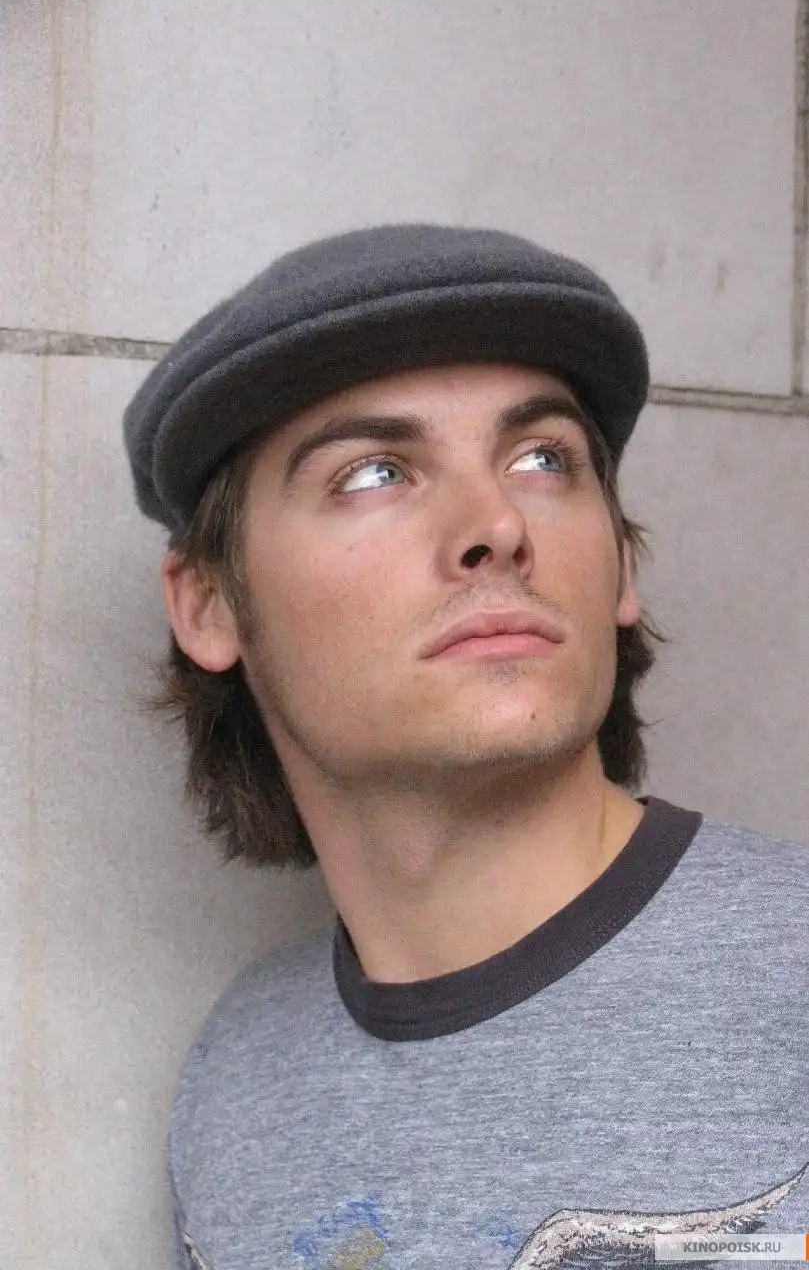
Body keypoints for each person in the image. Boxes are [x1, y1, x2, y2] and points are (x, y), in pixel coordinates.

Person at [123, 225, 808, 1270]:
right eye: (373, 472)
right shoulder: (236, 1081)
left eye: (543, 459)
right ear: (209, 603)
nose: (495, 522)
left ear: (620, 566)